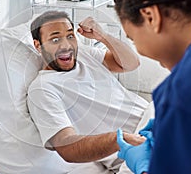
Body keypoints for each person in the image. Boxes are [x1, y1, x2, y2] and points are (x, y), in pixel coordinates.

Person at [27, 10, 150, 173]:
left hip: (154, 116)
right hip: (135, 150)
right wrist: (118, 139)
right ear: (38, 45)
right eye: (55, 39)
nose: (66, 45)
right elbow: (67, 145)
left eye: (70, 36)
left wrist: (103, 36)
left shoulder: (84, 54)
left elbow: (131, 64)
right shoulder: (43, 89)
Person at [114, 0, 191, 173]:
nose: (138, 49)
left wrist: (145, 168)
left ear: (151, 16)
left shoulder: (185, 89)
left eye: (132, 38)